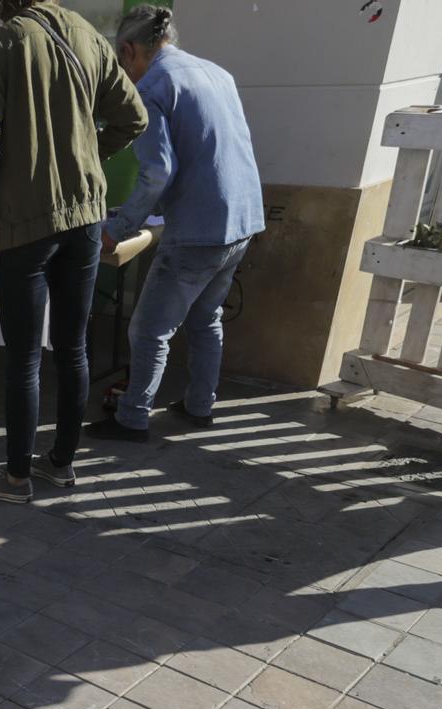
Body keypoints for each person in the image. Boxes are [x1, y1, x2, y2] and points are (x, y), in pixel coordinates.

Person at [0, 0, 146, 503]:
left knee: (24, 357)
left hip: (24, 221)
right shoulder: (90, 37)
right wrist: (85, 153)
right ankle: (61, 463)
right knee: (74, 346)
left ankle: (16, 478)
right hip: (84, 215)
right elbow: (133, 117)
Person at [85, 6, 263, 447]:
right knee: (205, 319)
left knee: (148, 330)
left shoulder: (152, 86)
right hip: (242, 219)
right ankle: (200, 406)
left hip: (200, 228)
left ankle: (132, 418)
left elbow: (158, 171)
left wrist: (119, 227)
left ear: (128, 51)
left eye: (120, 64)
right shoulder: (216, 73)